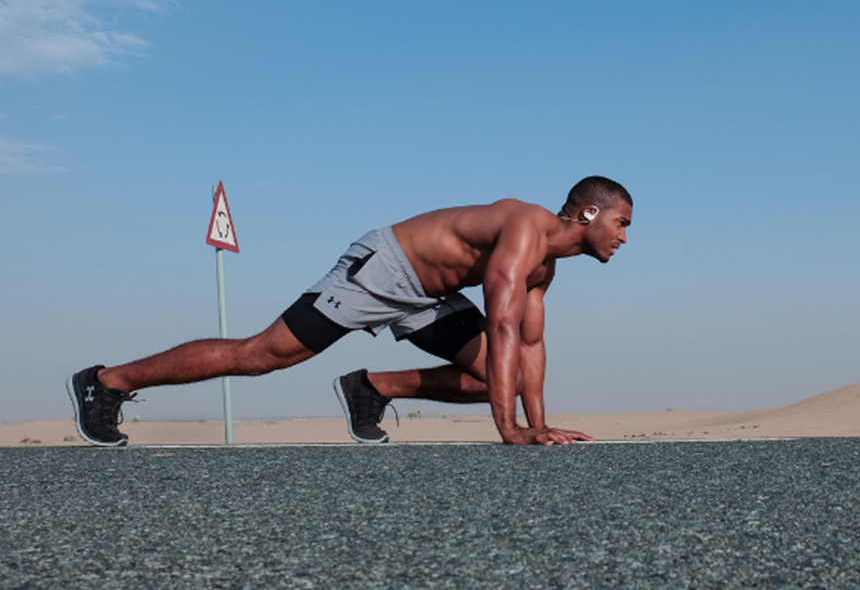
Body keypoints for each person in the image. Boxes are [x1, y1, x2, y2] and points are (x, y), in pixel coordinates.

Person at [67, 176, 632, 447]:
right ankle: (107, 381)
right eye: (622, 223)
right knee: (263, 355)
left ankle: (371, 388)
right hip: (385, 268)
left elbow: (528, 347)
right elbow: (503, 325)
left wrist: (538, 427)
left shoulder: (544, 269)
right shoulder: (525, 228)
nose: (625, 237)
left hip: (428, 295)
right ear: (588, 214)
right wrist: (509, 430)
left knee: (501, 378)